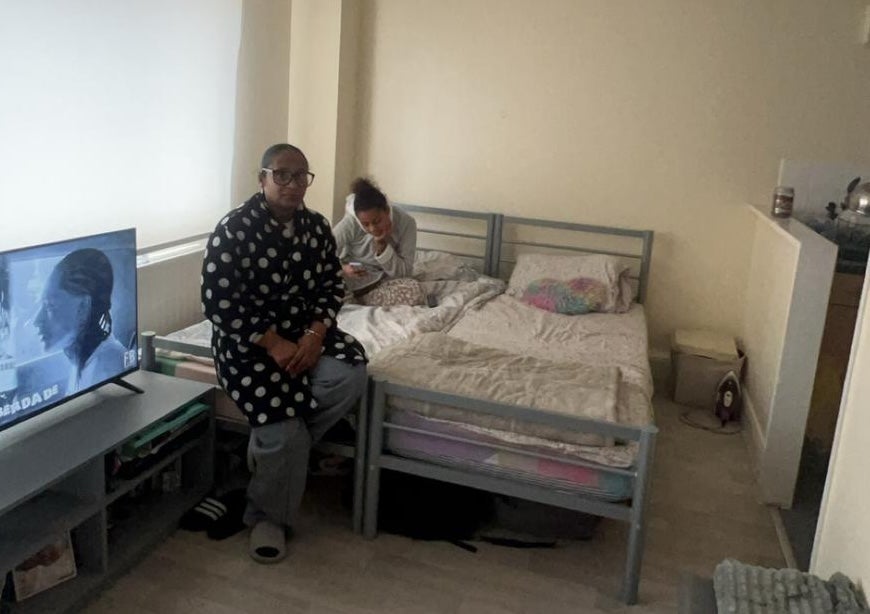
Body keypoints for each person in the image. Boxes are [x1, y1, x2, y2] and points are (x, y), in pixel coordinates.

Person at [201, 143, 367, 564]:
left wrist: (313, 335)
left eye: (301, 177)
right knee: (285, 426)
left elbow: (332, 285)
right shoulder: (233, 229)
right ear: (262, 179)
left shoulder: (315, 227)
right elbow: (218, 303)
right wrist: (274, 343)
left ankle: (273, 455)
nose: (293, 185)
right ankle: (267, 516)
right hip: (248, 345)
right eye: (282, 175)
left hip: (305, 335)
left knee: (349, 374)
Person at [33, 248, 127, 394]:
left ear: (83, 307)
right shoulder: (84, 361)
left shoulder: (106, 368)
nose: (37, 321)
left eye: (50, 306)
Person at [332, 177, 417, 294]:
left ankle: (361, 297)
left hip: (385, 276)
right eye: (365, 224)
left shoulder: (406, 223)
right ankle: (356, 297)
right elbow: (323, 254)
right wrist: (343, 268)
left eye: (377, 221)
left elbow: (405, 273)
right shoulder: (350, 223)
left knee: (413, 291)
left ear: (387, 211)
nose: (372, 228)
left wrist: (382, 247)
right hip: (354, 270)